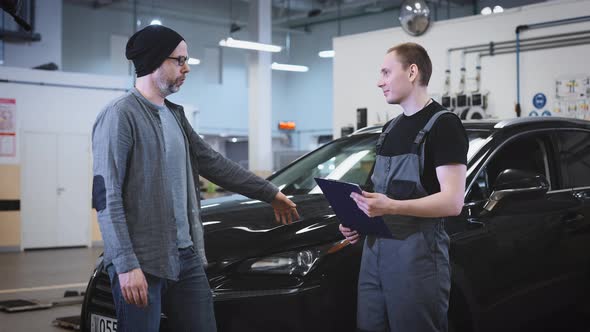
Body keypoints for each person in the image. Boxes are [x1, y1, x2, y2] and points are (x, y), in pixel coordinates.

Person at [91, 25, 300, 332]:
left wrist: (269, 192)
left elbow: (214, 164)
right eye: (180, 60)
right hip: (142, 261)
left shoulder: (175, 115)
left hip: (185, 254)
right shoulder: (120, 115)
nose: (186, 68)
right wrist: (126, 264)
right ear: (155, 60)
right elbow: (106, 197)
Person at [339, 42, 468, 332]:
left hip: (417, 257)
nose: (379, 81)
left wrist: (391, 206)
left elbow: (452, 201)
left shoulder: (444, 125)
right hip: (374, 255)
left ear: (412, 72)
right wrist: (356, 220)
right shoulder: (390, 129)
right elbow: (373, 191)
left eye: (386, 72)